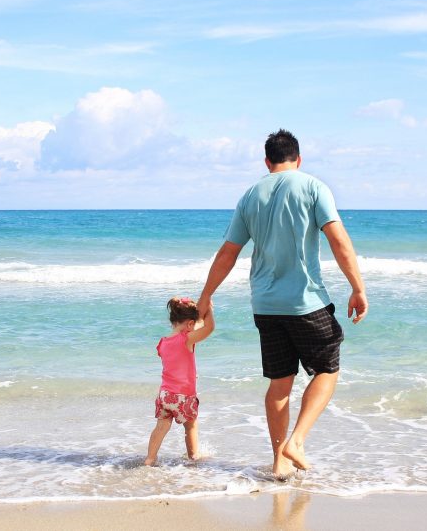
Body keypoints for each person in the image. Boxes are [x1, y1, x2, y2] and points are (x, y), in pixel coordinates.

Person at [197, 128, 368, 478]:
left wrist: (206, 295)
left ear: (267, 161)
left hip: (265, 304)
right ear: (298, 159)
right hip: (305, 302)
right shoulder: (312, 186)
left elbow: (229, 252)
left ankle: (279, 462)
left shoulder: (250, 195)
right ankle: (297, 441)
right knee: (327, 369)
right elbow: (338, 240)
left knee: (280, 383)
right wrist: (357, 287)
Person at [144, 296, 215, 466]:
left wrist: (197, 316)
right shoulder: (187, 340)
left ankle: (150, 459)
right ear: (190, 324)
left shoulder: (162, 343)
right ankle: (193, 457)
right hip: (184, 396)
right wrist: (209, 309)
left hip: (165, 395)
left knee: (161, 427)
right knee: (190, 426)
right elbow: (209, 328)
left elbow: (192, 327)